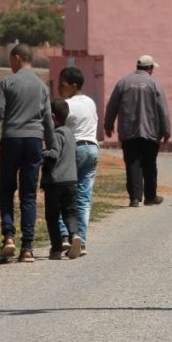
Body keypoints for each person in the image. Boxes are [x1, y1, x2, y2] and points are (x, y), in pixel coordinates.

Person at [0, 43, 54, 262]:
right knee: (29, 194)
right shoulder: (42, 86)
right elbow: (48, 120)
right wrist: (53, 146)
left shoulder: (8, 82)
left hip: (11, 139)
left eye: (11, 60)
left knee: (7, 189)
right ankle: (27, 247)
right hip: (34, 141)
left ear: (16, 58)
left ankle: (9, 237)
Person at [104, 54, 171, 207]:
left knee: (132, 163)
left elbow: (112, 106)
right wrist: (166, 131)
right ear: (150, 68)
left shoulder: (123, 83)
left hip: (129, 132)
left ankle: (134, 198)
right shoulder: (155, 84)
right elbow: (163, 110)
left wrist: (108, 125)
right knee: (150, 164)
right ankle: (150, 196)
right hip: (151, 132)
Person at [56, 65, 99, 249]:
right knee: (83, 197)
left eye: (62, 85)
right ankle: (80, 239)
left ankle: (65, 235)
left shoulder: (67, 105)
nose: (59, 89)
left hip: (75, 150)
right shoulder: (90, 102)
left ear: (73, 86)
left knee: (62, 193)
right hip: (92, 149)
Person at [41, 98, 81, 260]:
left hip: (55, 181)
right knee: (70, 212)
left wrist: (40, 152)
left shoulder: (56, 134)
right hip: (71, 181)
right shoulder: (70, 134)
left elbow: (53, 155)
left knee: (52, 215)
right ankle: (74, 235)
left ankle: (56, 248)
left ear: (52, 116)